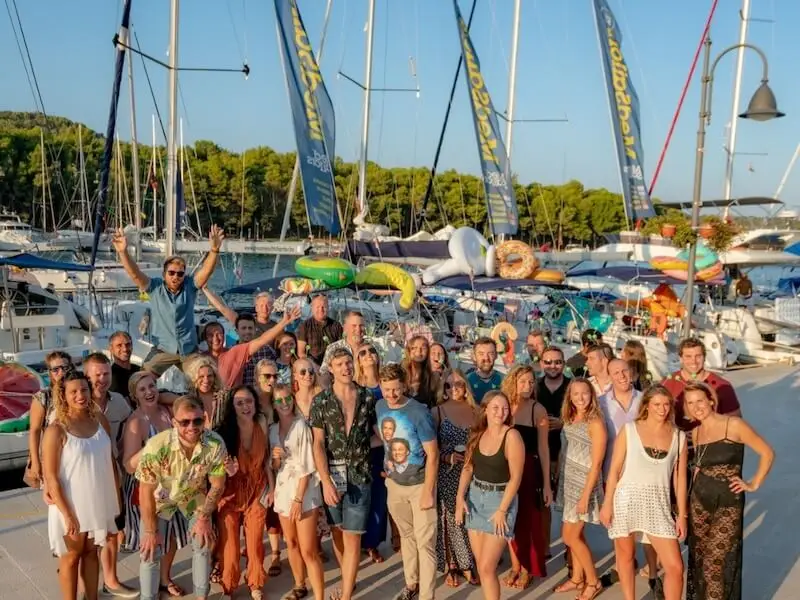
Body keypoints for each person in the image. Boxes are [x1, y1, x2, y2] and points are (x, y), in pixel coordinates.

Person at [684, 382, 774, 600]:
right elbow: (697, 469)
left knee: (714, 564)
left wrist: (753, 483)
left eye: (700, 400)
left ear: (711, 401)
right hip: (699, 501)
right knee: (699, 560)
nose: (697, 406)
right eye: (690, 403)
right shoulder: (695, 433)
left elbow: (767, 453)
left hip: (728, 503)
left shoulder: (734, 425)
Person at [136, 395, 227, 600]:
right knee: (149, 552)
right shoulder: (156, 446)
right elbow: (145, 491)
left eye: (197, 420)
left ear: (204, 418)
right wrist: (151, 531)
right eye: (184, 422)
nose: (191, 427)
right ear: (174, 422)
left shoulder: (214, 443)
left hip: (193, 495)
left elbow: (217, 485)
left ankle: (202, 596)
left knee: (203, 543)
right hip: (160, 497)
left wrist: (203, 518)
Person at [601, 386, 688, 600]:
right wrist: (607, 503)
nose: (662, 409)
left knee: (675, 567)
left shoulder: (679, 436)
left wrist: (682, 516)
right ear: (647, 405)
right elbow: (614, 469)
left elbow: (680, 478)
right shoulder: (630, 429)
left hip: (659, 505)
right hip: (626, 500)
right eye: (657, 404)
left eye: (666, 404)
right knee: (626, 555)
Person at [43, 372, 121, 600]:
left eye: (84, 390)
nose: (80, 395)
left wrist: (116, 505)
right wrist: (67, 515)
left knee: (91, 552)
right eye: (73, 391)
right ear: (63, 395)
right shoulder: (56, 430)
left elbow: (111, 463)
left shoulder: (100, 421)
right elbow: (52, 478)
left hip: (98, 501)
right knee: (71, 557)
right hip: (71, 504)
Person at [112, 225, 224, 375]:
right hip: (163, 349)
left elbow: (206, 271)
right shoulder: (155, 288)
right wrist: (123, 252)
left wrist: (215, 250)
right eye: (171, 273)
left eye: (180, 274)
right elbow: (135, 274)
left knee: (203, 378)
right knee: (141, 378)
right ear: (164, 274)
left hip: (188, 350)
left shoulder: (190, 286)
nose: (175, 277)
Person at [310, 348, 376, 600]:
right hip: (332, 477)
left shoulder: (367, 397)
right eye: (340, 364)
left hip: (360, 476)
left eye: (349, 362)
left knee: (353, 537)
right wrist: (325, 482)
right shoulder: (321, 401)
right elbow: (318, 444)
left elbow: (377, 434)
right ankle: (348, 577)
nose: (346, 367)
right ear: (331, 368)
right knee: (338, 531)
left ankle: (346, 594)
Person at [120, 372, 187, 596]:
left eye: (152, 386)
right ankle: (149, 589)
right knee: (152, 542)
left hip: (174, 486)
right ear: (134, 395)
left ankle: (164, 578)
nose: (149, 392)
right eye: (142, 389)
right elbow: (129, 465)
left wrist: (165, 396)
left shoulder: (168, 412)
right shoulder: (136, 422)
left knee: (174, 537)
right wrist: (152, 447)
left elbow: (182, 401)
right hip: (149, 490)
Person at [377, 364, 439, 600]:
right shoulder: (380, 406)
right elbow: (385, 437)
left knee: (425, 544)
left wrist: (428, 491)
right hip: (394, 484)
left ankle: (427, 595)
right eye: (386, 389)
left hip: (419, 485)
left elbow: (432, 454)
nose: (391, 395)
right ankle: (411, 584)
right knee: (407, 537)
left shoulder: (418, 412)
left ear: (404, 386)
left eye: (395, 389)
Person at [455, 391, 525, 600]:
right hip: (475, 499)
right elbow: (467, 468)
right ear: (485, 410)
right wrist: (460, 498)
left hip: (500, 500)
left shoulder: (512, 435)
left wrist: (502, 510)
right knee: (482, 566)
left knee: (486, 567)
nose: (500, 412)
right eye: (495, 407)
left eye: (504, 408)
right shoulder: (477, 433)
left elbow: (515, 478)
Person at [83, 352, 137, 598]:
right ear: (86, 376)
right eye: (97, 374)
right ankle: (86, 588)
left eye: (106, 374)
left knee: (114, 531)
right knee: (88, 537)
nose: (102, 379)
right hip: (86, 481)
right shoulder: (76, 404)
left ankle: (111, 580)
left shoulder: (119, 402)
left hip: (114, 476)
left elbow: (130, 427)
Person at [215, 385, 272, 600]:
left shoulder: (262, 423)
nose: (245, 406)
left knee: (255, 540)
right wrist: (226, 471)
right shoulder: (225, 432)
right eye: (239, 402)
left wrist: (271, 489)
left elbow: (266, 460)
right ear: (233, 406)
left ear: (255, 403)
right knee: (229, 544)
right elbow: (214, 468)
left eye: (249, 401)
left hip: (257, 489)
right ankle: (228, 586)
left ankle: (255, 582)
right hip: (230, 493)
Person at [271, 383, 326, 600]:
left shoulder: (301, 426)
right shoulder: (272, 430)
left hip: (303, 493)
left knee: (308, 550)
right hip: (283, 492)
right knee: (290, 543)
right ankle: (299, 584)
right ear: (274, 404)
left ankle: (320, 596)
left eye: (287, 399)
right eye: (279, 400)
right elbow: (274, 467)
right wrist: (275, 458)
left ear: (292, 399)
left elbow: (307, 467)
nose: (284, 403)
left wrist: (298, 499)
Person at [553, 379, 607, 598]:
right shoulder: (571, 418)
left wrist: (586, 495)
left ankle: (593, 582)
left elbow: (597, 464)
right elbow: (565, 449)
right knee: (575, 534)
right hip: (567, 482)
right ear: (570, 397)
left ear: (591, 395)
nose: (581, 398)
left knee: (570, 537)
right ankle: (577, 578)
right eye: (576, 394)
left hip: (585, 485)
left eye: (585, 393)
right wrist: (557, 476)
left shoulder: (595, 422)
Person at [502, 365, 550, 589]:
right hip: (505, 469)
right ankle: (515, 565)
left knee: (528, 521)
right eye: (522, 381)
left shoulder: (537, 409)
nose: (528, 386)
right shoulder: (504, 407)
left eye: (531, 382)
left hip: (529, 469)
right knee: (510, 519)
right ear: (513, 381)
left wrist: (547, 484)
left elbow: (544, 448)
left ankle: (528, 567)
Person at [432, 369, 478, 587]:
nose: (453, 389)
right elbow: (429, 448)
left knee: (471, 518)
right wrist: (447, 456)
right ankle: (456, 565)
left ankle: (471, 560)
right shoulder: (437, 411)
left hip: (473, 471)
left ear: (465, 386)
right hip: (447, 471)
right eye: (448, 385)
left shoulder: (476, 411)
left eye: (458, 384)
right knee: (451, 519)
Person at [354, 343, 388, 563]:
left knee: (378, 498)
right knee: (358, 498)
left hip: (385, 450)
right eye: (362, 352)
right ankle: (356, 542)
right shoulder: (355, 386)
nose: (368, 355)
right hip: (361, 449)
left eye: (372, 351)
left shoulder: (387, 385)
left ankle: (373, 544)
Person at [661, 337, 742, 430]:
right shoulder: (667, 383)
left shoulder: (722, 386)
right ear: (681, 359)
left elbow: (735, 422)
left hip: (710, 441)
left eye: (698, 356)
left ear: (704, 358)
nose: (693, 361)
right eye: (688, 356)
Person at [536, 346, 570, 559]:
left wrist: (563, 424)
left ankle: (571, 548)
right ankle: (545, 545)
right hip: (541, 452)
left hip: (567, 452)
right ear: (541, 364)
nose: (552, 366)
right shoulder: (535, 387)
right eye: (548, 362)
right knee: (544, 503)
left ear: (563, 364)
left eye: (557, 362)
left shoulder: (571, 386)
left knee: (568, 505)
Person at [27, 350, 72, 489]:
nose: (61, 372)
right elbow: (34, 431)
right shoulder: (43, 397)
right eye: (55, 369)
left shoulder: (78, 392)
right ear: (49, 373)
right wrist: (35, 462)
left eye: (65, 368)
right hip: (51, 456)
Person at [297, 295, 343, 364]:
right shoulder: (305, 326)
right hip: (313, 367)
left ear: (328, 307)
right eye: (317, 307)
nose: (321, 310)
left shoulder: (336, 325)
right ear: (312, 308)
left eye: (323, 307)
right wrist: (314, 367)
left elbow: (342, 348)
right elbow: (301, 353)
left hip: (333, 365)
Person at [320, 310, 368, 375]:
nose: (358, 329)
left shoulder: (372, 348)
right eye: (354, 326)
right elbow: (323, 374)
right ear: (345, 328)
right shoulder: (333, 348)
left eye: (361, 325)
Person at [403, 334, 437, 408]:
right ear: (408, 350)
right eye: (414, 348)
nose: (419, 351)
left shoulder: (432, 377)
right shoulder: (400, 373)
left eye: (423, 348)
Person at [466, 337, 502, 402]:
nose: (486, 358)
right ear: (474, 356)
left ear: (496, 355)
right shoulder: (467, 381)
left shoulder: (503, 381)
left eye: (490, 353)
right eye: (481, 354)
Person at [109, 331, 140, 399]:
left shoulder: (139, 370)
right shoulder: (110, 375)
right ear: (111, 349)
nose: (125, 349)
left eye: (128, 344)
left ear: (132, 346)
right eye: (119, 345)